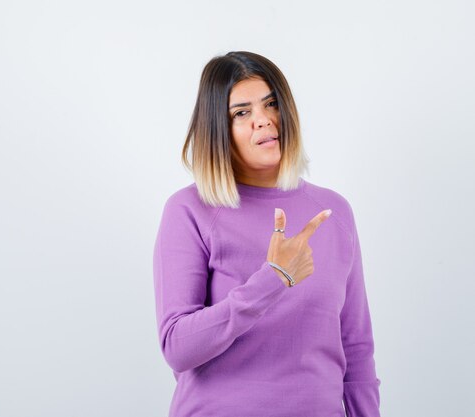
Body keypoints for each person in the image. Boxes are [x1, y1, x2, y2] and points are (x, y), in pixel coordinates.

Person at [152, 51, 381, 417]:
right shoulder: (189, 210)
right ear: (218, 129)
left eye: (271, 103)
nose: (263, 121)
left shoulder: (332, 212)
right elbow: (178, 348)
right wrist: (273, 279)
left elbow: (356, 348)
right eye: (241, 113)